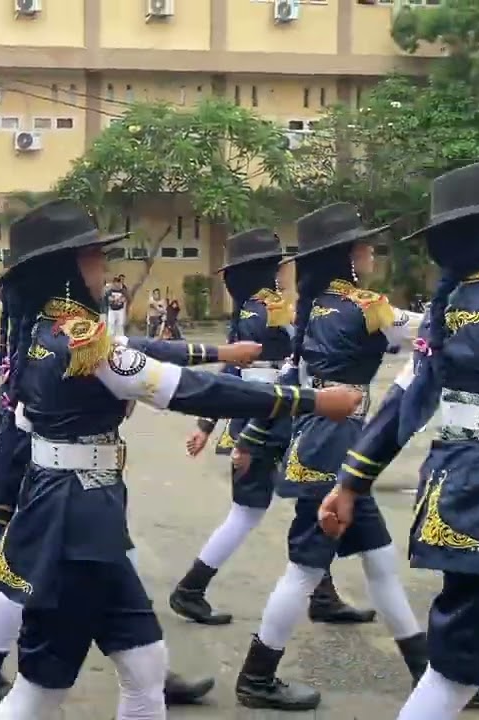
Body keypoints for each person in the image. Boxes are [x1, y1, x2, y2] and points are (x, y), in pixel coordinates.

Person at [0, 200, 362, 718]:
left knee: (145, 665)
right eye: (93, 256)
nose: (103, 266)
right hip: (74, 523)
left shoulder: (39, 337)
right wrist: (312, 401)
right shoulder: (80, 340)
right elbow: (186, 391)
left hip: (75, 514)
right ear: (65, 268)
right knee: (41, 686)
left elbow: (20, 431)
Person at [320, 162, 479, 719]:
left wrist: (352, 481)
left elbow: (403, 403)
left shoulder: (448, 310)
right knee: (458, 668)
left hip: (473, 491)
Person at [227, 203, 479, 712]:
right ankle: (257, 674)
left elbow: (290, 382)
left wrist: (250, 439)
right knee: (305, 569)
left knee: (378, 565)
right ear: (349, 255)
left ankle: (428, 670)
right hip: (338, 445)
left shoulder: (313, 309)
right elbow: (428, 327)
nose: (372, 252)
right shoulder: (367, 306)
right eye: (365, 245)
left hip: (314, 441)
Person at [172, 228, 373, 626]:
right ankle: (192, 588)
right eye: (279, 266)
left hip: (252, 413)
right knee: (272, 507)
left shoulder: (246, 310)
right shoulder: (277, 309)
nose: (285, 273)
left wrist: (206, 424)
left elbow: (231, 368)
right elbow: (304, 358)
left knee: (290, 505)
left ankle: (320, 591)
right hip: (278, 417)